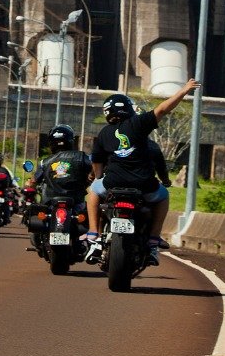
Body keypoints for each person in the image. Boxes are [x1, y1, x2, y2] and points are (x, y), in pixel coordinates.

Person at [84, 80, 197, 266]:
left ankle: (93, 234)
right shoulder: (138, 124)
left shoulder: (104, 133)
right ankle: (153, 239)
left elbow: (97, 162)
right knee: (164, 195)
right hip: (143, 184)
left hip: (113, 183)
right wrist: (183, 91)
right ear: (128, 109)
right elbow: (162, 109)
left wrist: (98, 178)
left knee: (94, 192)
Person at [30, 124, 92, 203]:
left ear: (51, 142)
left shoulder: (44, 163)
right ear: (71, 140)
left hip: (50, 203)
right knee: (91, 212)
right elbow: (94, 171)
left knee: (33, 212)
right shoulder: (82, 157)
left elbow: (34, 181)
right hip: (76, 202)